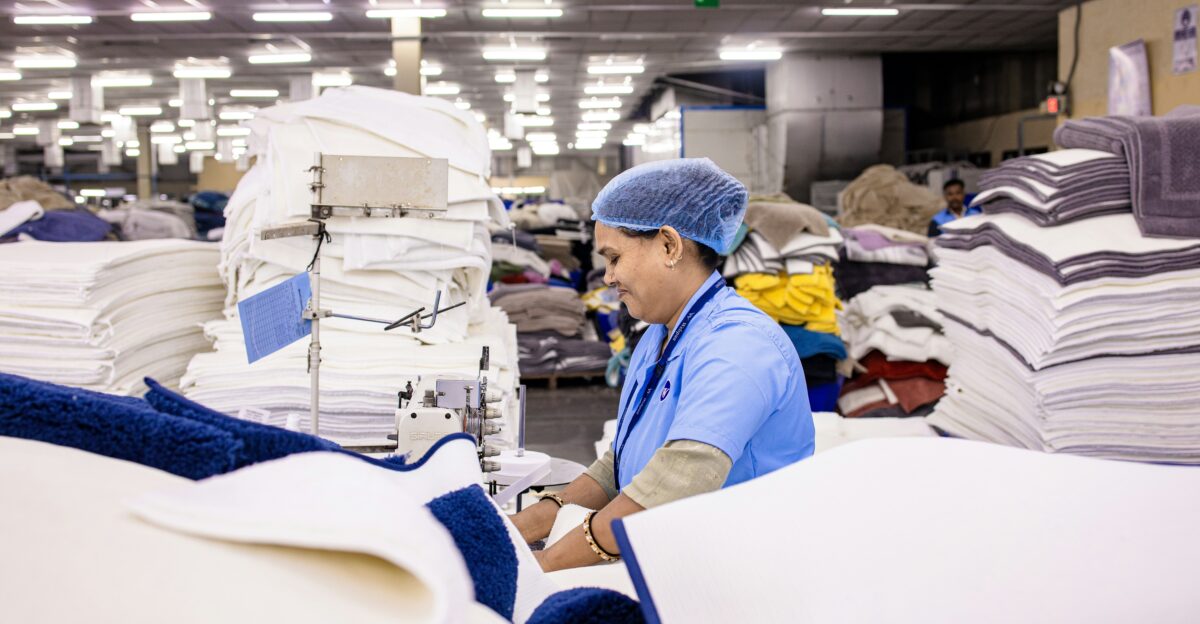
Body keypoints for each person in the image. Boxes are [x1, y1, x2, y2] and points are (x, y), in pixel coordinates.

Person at [510, 158, 814, 572]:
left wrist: (542, 565)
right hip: (678, 559)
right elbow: (619, 465)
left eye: (614, 258)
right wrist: (517, 528)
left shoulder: (739, 344)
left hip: (742, 572)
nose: (608, 277)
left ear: (669, 246)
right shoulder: (658, 335)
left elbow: (678, 479)